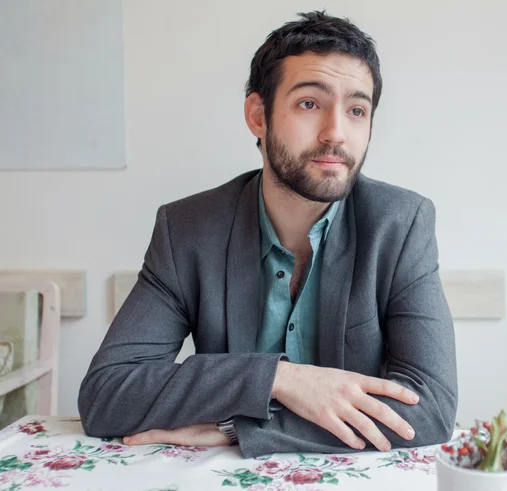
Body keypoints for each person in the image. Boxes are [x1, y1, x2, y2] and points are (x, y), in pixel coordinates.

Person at [78, 10, 458, 458]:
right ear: (258, 116)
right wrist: (280, 378)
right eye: (310, 103)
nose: (336, 133)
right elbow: (107, 394)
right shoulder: (187, 230)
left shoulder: (400, 224)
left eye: (357, 110)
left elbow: (430, 410)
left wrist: (242, 427)